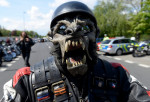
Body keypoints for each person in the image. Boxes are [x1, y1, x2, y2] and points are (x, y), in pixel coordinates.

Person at [1, 1, 150, 102]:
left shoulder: (118, 74)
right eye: (62, 29)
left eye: (86, 28)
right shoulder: (26, 80)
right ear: (52, 38)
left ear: (96, 34)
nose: (73, 31)